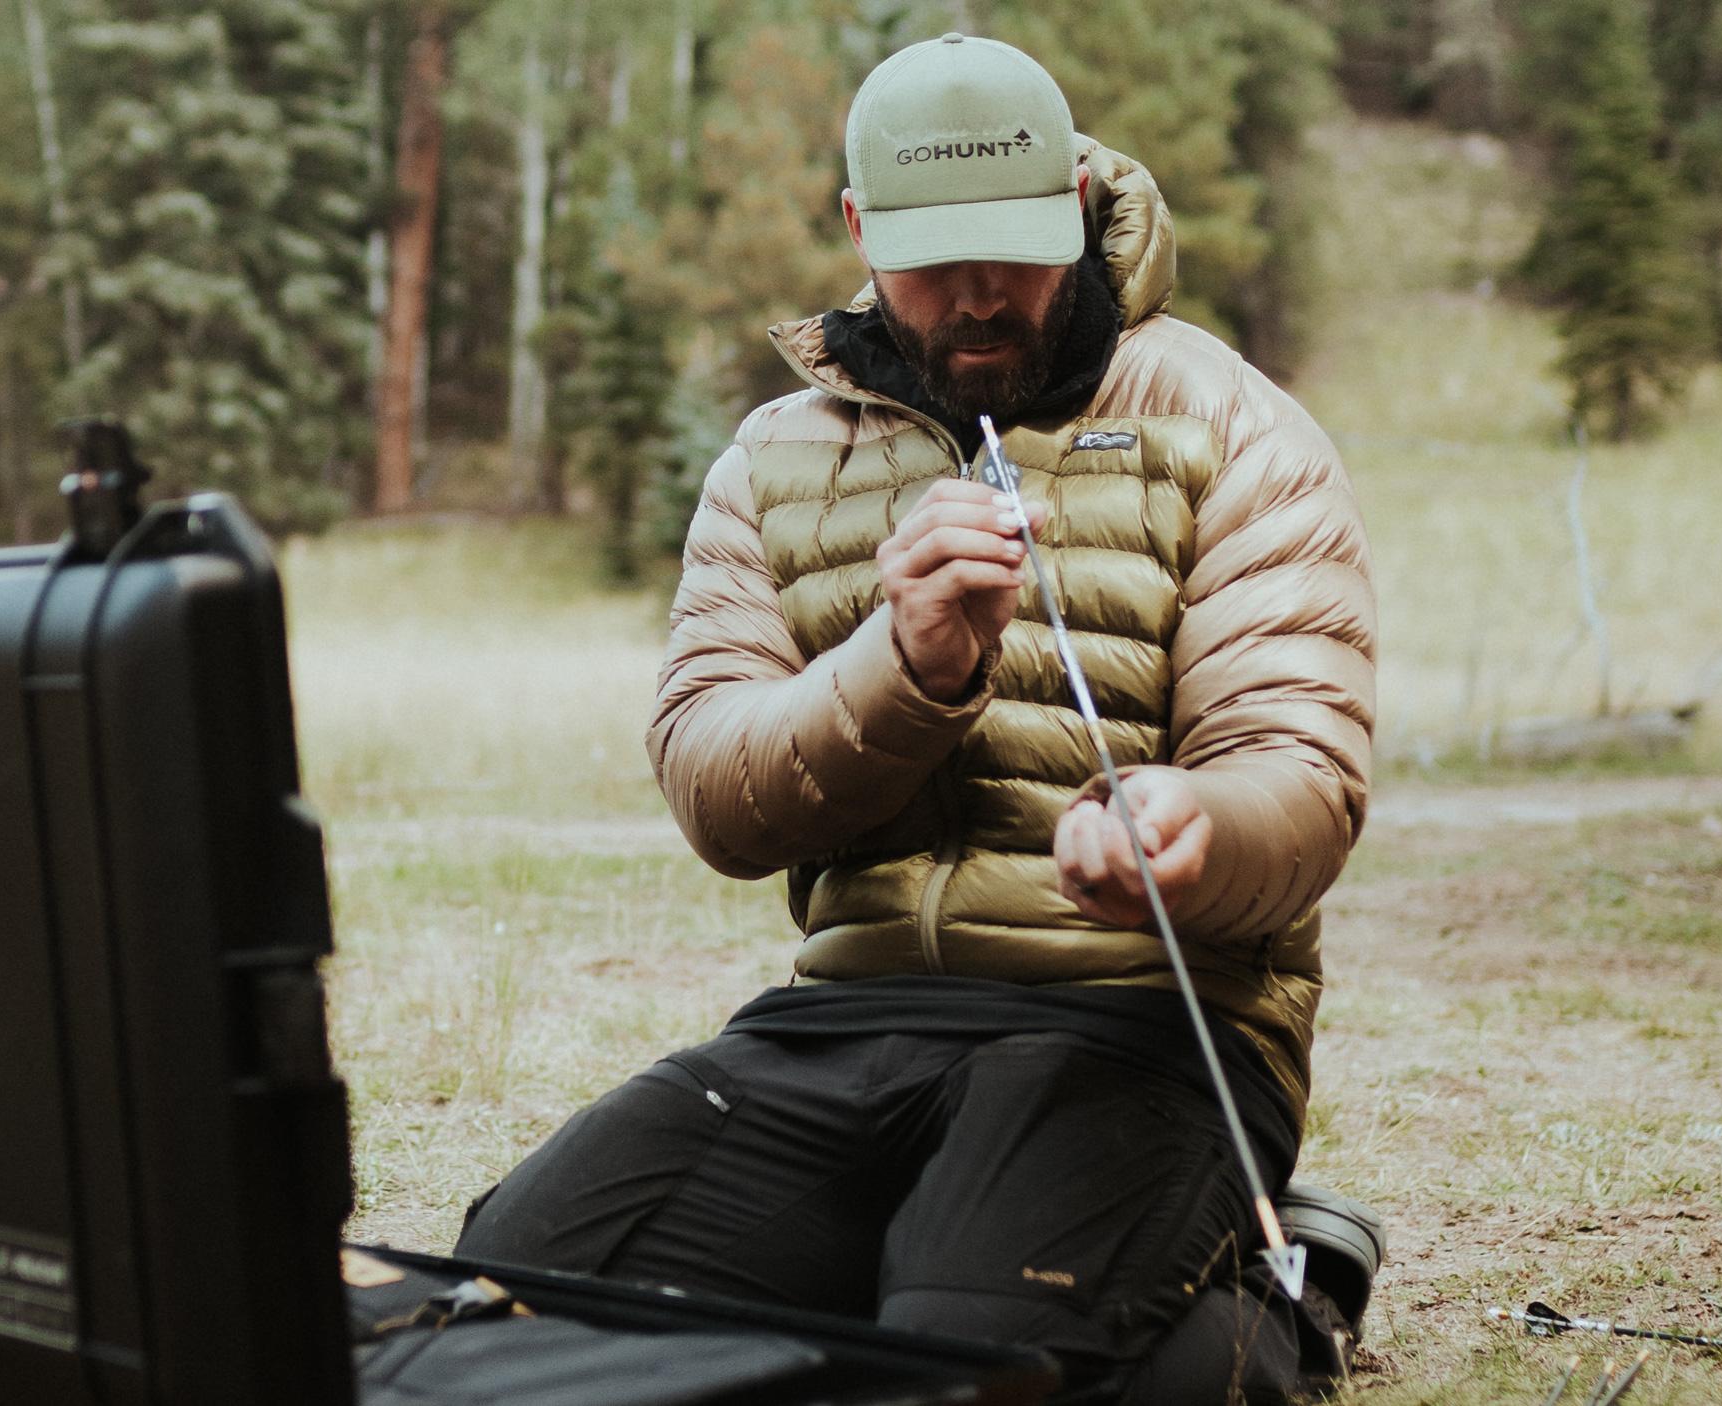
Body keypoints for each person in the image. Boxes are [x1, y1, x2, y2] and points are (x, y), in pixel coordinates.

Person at [455, 32, 1379, 1404]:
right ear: (858, 227)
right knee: (515, 1296)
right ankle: (948, 1267)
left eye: (1011, 245)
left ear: (1074, 202)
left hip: (1142, 1031)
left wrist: (1186, 833)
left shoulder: (1228, 424)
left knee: (968, 1363)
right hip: (840, 1026)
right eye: (934, 256)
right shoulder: (776, 460)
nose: (978, 295)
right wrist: (905, 666)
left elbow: (1301, 775)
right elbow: (716, 787)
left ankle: (1289, 1295)